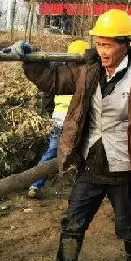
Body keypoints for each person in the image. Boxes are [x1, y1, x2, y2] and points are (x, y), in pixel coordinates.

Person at [4, 9, 131, 261]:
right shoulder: (89, 70)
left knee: (128, 225)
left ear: (125, 44)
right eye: (99, 43)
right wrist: (30, 58)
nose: (102, 50)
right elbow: (53, 79)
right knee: (73, 220)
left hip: (124, 168)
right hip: (91, 163)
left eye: (108, 44)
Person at [28, 39, 90, 200]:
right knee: (86, 154)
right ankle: (83, 190)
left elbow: (47, 97)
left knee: (52, 152)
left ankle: (35, 184)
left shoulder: (60, 73)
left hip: (58, 120)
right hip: (76, 123)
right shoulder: (87, 76)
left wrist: (52, 114)